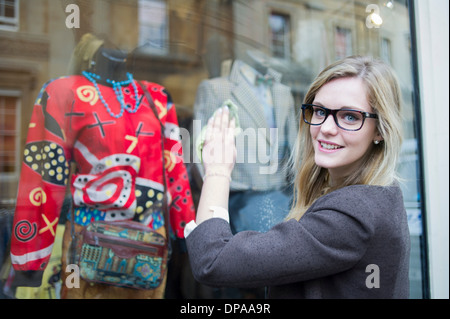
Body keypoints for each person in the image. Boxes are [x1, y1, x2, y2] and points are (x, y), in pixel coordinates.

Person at [185, 55, 410, 298]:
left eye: (350, 117)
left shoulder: (352, 215)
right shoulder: (382, 196)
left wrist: (217, 170)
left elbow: (213, 262)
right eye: (320, 111)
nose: (326, 128)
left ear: (380, 130)